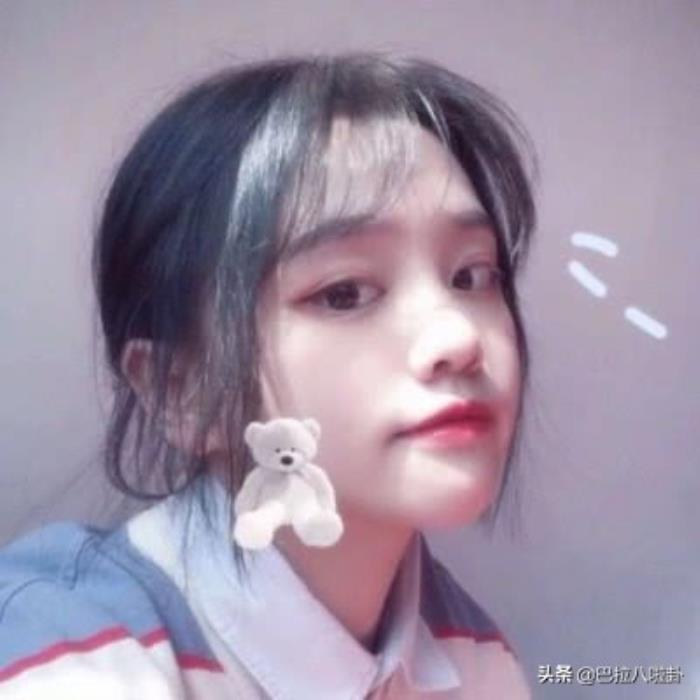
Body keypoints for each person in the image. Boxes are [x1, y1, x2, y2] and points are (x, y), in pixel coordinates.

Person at [0, 51, 536, 698]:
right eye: (344, 293)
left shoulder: (472, 655)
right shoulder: (65, 655)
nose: (459, 338)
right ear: (179, 388)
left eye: (471, 276)